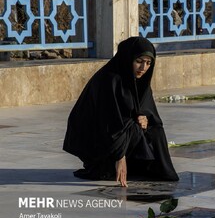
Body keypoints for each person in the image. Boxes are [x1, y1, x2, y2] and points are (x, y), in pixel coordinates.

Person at [63, 36, 179, 187]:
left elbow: (146, 114)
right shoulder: (109, 80)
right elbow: (109, 123)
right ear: (127, 58)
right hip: (97, 140)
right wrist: (120, 156)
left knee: (154, 130)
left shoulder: (139, 81)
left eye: (148, 63)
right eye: (139, 61)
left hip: (120, 134)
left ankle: (143, 166)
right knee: (133, 128)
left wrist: (144, 119)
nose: (143, 68)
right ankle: (106, 166)